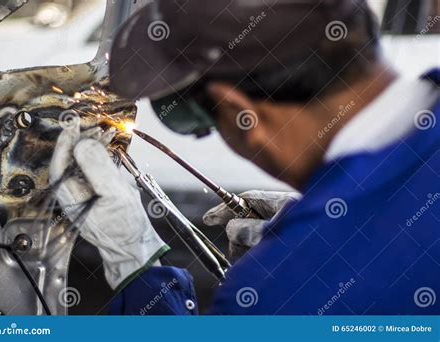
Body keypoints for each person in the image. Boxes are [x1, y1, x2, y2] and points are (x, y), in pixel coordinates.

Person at [50, 0, 440, 315]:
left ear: (239, 111)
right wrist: (311, 223)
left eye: (206, 123)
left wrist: (135, 262)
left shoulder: (281, 296)